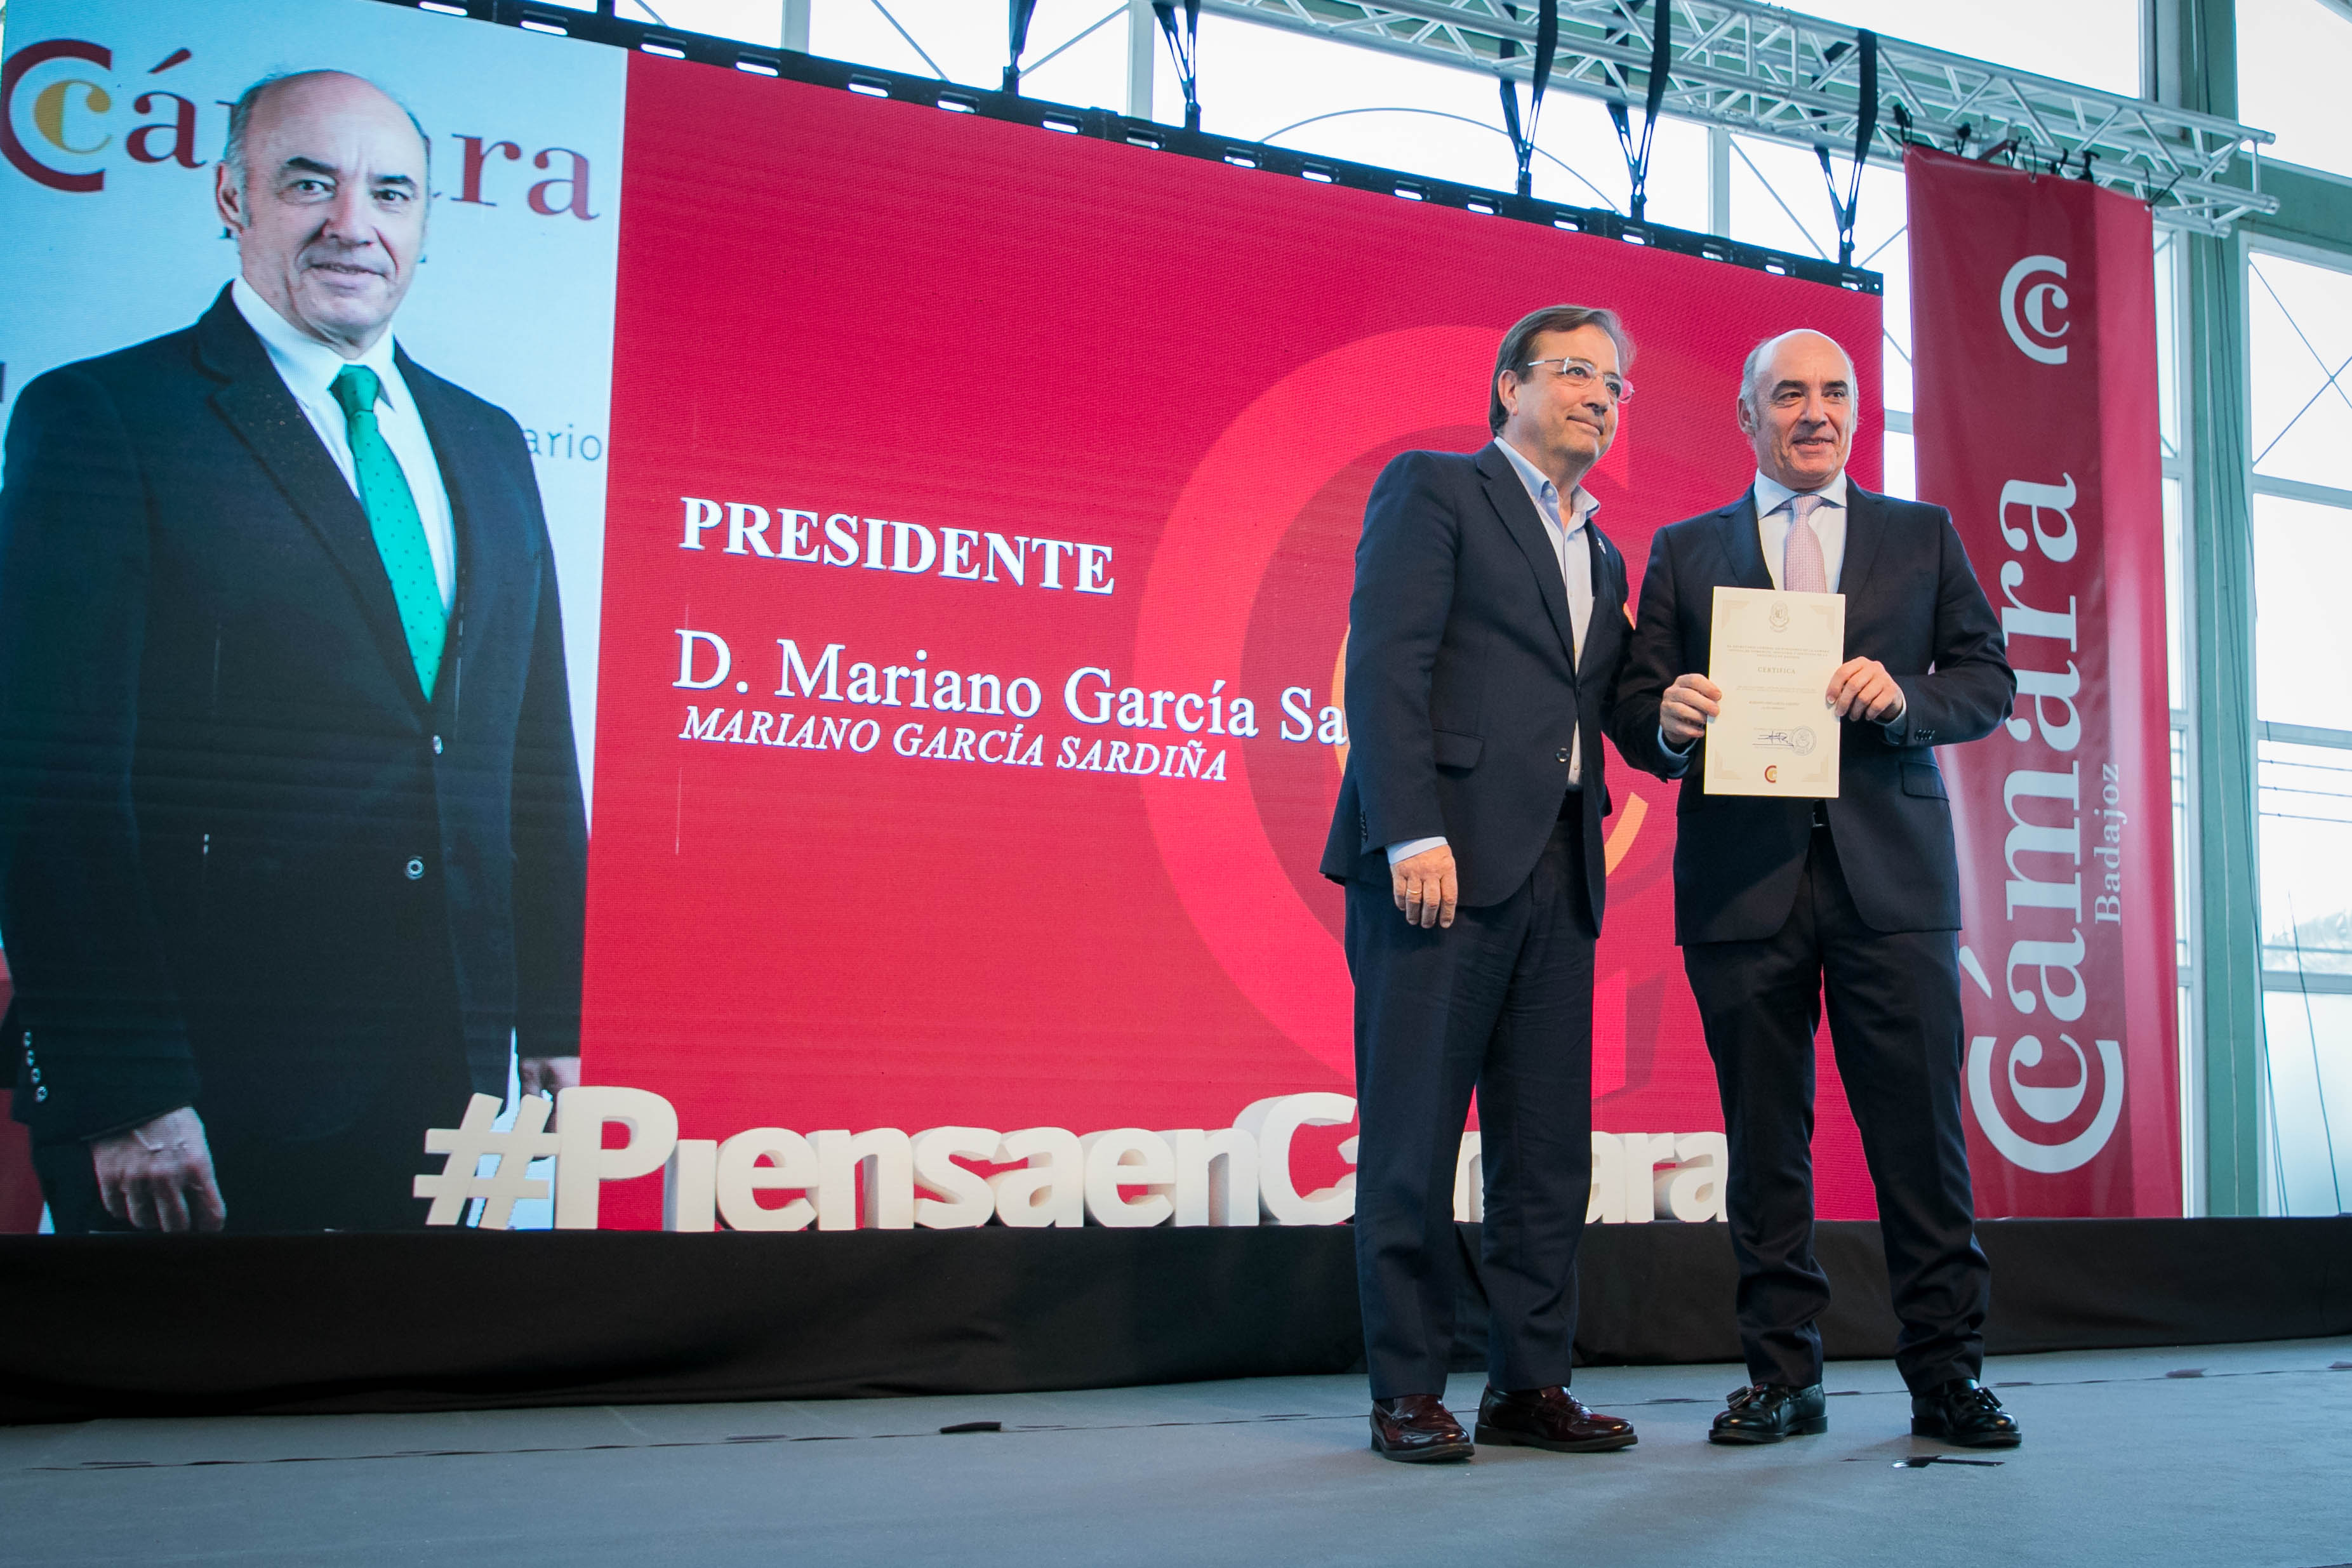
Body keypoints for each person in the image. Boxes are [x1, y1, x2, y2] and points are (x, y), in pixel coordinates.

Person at [0, 70, 587, 1233]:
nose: (351, 224)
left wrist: (554, 1017)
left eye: (390, 192)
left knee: (406, 1409)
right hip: (204, 1091)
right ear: (231, 195)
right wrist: (126, 1090)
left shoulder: (486, 439)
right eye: (309, 183)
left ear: (424, 224)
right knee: (194, 1412)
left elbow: (529, 750)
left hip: (446, 1066)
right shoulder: (105, 417)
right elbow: (49, 783)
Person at [1611, 329, 2021, 1448]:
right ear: (1746, 417)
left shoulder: (1920, 536)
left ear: (1854, 412)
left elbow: (1987, 678)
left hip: (1890, 877)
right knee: (1764, 1141)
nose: (1813, 411)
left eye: (1833, 392)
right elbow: (1636, 704)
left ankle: (1947, 1375)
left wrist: (1906, 697)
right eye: (1787, 394)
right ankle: (1782, 1377)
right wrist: (1668, 721)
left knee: (1920, 1139)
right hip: (1742, 885)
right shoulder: (1685, 551)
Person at [1320, 305, 1638, 1463]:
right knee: (1410, 1138)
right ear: (1508, 385)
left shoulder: (1602, 548)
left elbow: (1609, 707)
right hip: (1437, 865)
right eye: (1572, 371)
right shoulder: (1435, 489)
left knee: (1546, 1153)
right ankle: (1405, 1387)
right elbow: (1386, 669)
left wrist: (1695, 720)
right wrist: (1409, 832)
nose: (1598, 394)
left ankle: (1526, 1383)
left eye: (1613, 383)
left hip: (1561, 865)